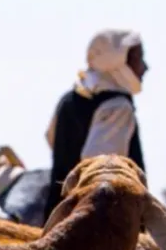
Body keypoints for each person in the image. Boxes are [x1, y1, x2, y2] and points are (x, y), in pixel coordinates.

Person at [43, 28, 148, 221]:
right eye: (138, 58)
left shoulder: (69, 99)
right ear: (117, 59)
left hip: (56, 215)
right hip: (95, 222)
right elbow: (100, 167)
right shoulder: (117, 105)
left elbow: (51, 139)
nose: (145, 67)